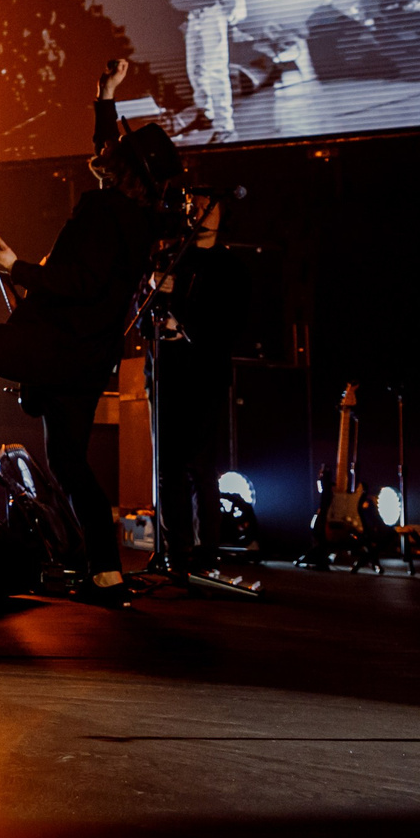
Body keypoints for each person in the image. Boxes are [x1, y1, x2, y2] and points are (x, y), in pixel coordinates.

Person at [0, 80, 179, 609]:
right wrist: (104, 101)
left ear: (124, 169)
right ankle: (107, 572)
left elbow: (79, 282)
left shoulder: (103, 210)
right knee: (69, 463)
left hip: (57, 346)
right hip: (87, 361)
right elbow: (106, 157)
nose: (102, 154)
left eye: (113, 153)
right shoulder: (140, 223)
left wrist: (17, 267)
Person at [155, 188, 256, 576]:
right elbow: (144, 311)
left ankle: (206, 552)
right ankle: (176, 552)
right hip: (168, 372)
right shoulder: (169, 257)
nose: (198, 211)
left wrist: (186, 328)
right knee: (168, 468)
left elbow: (232, 325)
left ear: (220, 211)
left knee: (200, 466)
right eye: (193, 205)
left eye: (207, 205)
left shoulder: (231, 267)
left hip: (206, 376)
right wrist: (152, 291)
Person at [148, 0, 245, 142]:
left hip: (212, 15)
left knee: (215, 69)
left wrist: (240, 6)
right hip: (194, 19)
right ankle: (206, 114)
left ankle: (225, 125)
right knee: (195, 70)